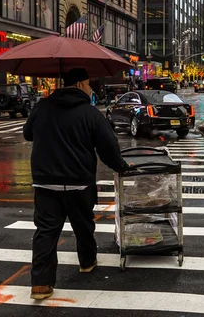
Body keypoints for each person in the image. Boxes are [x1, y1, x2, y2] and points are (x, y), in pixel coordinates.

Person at [23, 68, 129, 300]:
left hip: (45, 183)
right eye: (89, 84)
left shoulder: (42, 107)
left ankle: (41, 284)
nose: (91, 88)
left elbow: (28, 134)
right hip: (79, 182)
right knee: (83, 225)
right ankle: (87, 262)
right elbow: (108, 146)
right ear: (80, 85)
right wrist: (121, 166)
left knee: (46, 233)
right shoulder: (90, 114)